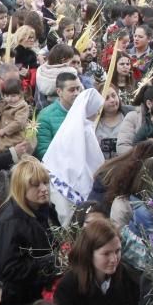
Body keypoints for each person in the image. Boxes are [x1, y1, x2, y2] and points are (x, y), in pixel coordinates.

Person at [0, 158, 59, 305]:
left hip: (38, 291)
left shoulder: (45, 208)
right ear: (21, 187)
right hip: (19, 302)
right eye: (35, 184)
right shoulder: (10, 221)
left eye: (45, 182)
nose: (43, 188)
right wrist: (52, 261)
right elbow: (10, 270)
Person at [43, 88, 105, 225]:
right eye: (97, 109)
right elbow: (94, 160)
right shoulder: (85, 129)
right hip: (72, 180)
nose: (98, 113)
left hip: (59, 178)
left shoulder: (70, 125)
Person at [35, 72, 83, 158]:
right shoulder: (45, 116)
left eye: (78, 89)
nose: (77, 93)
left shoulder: (85, 111)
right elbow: (43, 151)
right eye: (71, 90)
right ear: (59, 92)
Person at [0, 77, 30, 153]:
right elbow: (2, 111)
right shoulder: (6, 102)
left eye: (13, 96)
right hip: (3, 134)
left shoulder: (22, 106)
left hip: (14, 135)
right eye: (6, 96)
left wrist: (5, 130)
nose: (9, 99)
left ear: (20, 94)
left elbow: (19, 123)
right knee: (1, 148)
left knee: (11, 149)